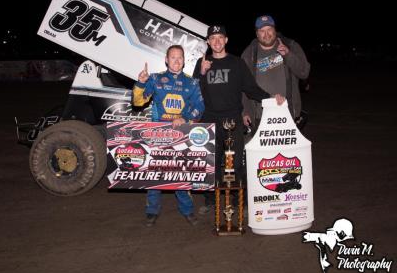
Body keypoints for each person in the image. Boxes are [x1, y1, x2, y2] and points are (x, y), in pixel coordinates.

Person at [193, 25, 285, 214]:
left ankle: (237, 197)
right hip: (209, 120)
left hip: (232, 119)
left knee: (234, 162)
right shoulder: (202, 63)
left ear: (226, 40)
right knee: (212, 161)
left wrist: (270, 97)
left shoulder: (236, 63)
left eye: (220, 37)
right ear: (208, 42)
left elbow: (251, 89)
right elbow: (194, 92)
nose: (217, 41)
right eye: (213, 38)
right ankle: (211, 199)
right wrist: (201, 73)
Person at [132, 44, 205, 227]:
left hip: (181, 136)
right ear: (166, 59)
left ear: (183, 60)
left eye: (180, 57)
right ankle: (151, 211)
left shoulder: (192, 82)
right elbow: (138, 101)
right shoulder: (155, 79)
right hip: (157, 135)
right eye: (173, 57)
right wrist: (141, 83)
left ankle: (187, 211)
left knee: (181, 176)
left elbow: (200, 107)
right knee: (155, 176)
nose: (176, 61)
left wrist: (185, 118)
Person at [241, 15, 310, 132]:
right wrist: (245, 111)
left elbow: (304, 73)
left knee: (287, 151)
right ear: (257, 34)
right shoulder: (249, 54)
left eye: (269, 30)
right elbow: (244, 86)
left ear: (275, 30)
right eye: (262, 31)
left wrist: (288, 55)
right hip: (260, 116)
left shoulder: (291, 46)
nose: (266, 34)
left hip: (288, 113)